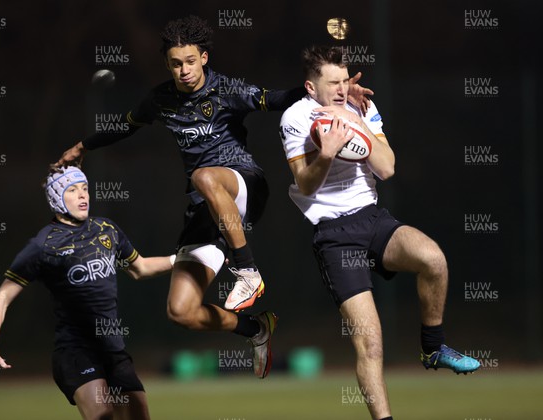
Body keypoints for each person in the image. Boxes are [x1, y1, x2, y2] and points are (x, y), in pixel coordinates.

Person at [55, 15, 373, 379]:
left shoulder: (226, 89)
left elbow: (277, 98)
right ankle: (255, 328)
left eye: (190, 61)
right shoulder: (160, 100)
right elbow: (125, 127)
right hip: (204, 210)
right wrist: (82, 146)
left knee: (205, 176)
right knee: (181, 311)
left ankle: (248, 271)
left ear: (203, 58)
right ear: (168, 65)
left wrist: (341, 94)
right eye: (176, 63)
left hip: (244, 185)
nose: (184, 70)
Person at [278, 46, 480, 420]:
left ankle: (432, 348)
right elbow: (305, 185)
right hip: (334, 236)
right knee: (370, 343)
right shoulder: (295, 118)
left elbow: (386, 169)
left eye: (344, 79)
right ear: (310, 86)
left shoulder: (362, 108)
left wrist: (358, 125)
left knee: (433, 259)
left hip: (373, 220)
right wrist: (327, 153)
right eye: (332, 82)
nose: (342, 88)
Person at [0, 166, 173, 420]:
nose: (83, 196)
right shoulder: (43, 246)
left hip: (113, 350)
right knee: (104, 416)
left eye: (85, 189)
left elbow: (141, 268)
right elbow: (1, 297)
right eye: (72, 190)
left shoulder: (106, 229)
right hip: (75, 352)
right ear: (57, 198)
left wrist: (182, 258)